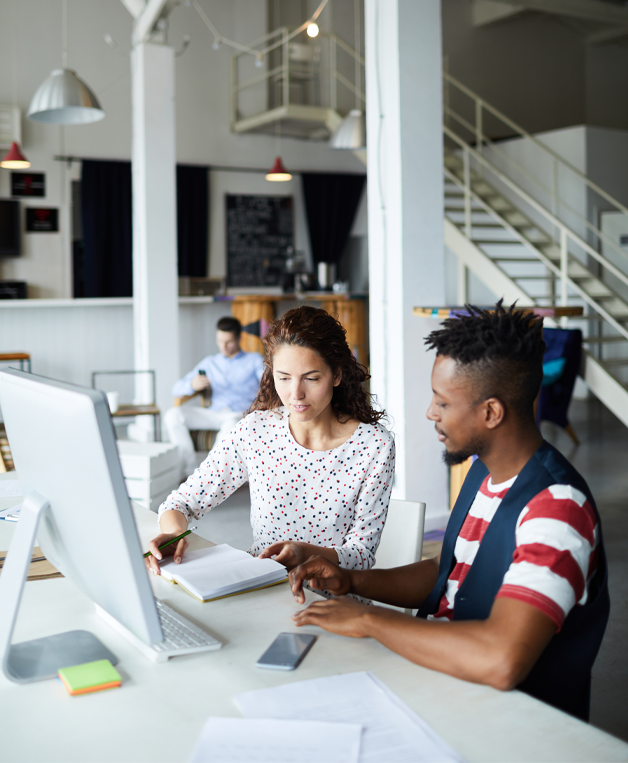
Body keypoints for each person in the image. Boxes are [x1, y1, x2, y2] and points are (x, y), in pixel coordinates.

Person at [288, 302, 610, 721]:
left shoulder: (558, 510)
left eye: (442, 402)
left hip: (506, 722)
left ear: (491, 412)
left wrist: (369, 620)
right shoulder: (484, 472)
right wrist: (352, 581)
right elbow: (449, 571)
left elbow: (501, 659)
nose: (430, 413)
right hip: (440, 684)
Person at [146, 305, 395, 581]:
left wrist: (306, 554)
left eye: (311, 378)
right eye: (284, 378)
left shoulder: (373, 446)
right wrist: (173, 533)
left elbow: (361, 555)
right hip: (263, 584)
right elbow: (181, 503)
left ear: (336, 375)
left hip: (333, 602)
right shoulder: (256, 431)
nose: (296, 394)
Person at [164, 316, 264, 478]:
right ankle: (190, 472)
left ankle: (210, 476)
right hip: (213, 413)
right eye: (219, 341)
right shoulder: (210, 363)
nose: (223, 347)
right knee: (173, 415)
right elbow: (176, 390)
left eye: (229, 342)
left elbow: (271, 385)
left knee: (230, 425)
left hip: (238, 414)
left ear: (239, 338)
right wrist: (191, 385)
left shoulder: (254, 360)